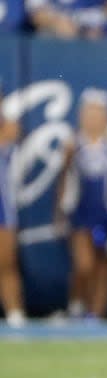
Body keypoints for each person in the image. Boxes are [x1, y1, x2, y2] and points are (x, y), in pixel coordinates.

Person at [54, 87, 107, 320]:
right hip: (81, 211)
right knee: (84, 265)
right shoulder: (72, 144)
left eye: (98, 113)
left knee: (102, 264)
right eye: (90, 112)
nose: (94, 118)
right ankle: (76, 303)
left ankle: (95, 314)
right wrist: (59, 211)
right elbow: (64, 180)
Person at [0, 85, 27, 328]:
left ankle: (15, 313)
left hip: (2, 204)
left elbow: (10, 133)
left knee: (6, 262)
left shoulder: (8, 127)